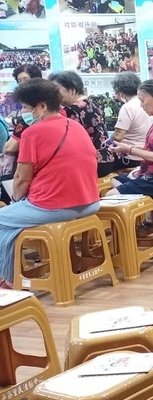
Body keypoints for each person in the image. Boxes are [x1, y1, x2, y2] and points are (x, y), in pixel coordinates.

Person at [0, 79, 100, 286]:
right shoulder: (76, 126)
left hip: (54, 206)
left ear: (42, 106)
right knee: (11, 223)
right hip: (90, 202)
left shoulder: (32, 133)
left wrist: (16, 201)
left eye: (26, 108)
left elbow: (21, 179)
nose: (24, 113)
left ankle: (9, 281)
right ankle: (8, 280)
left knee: (4, 218)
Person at [50, 71, 121, 177]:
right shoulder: (93, 102)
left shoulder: (72, 110)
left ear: (72, 90)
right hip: (107, 158)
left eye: (56, 90)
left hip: (92, 162)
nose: (53, 94)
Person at [111, 72, 153, 170]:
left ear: (120, 92)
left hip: (130, 157)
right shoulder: (147, 102)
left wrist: (108, 141)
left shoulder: (127, 107)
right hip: (148, 154)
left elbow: (118, 136)